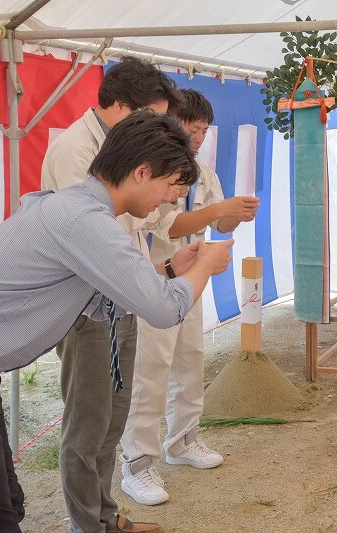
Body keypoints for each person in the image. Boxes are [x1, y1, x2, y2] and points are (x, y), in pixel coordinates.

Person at [0, 111, 235, 533]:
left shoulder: (75, 208)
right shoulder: (85, 221)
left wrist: (172, 269)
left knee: (5, 505)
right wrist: (205, 266)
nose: (171, 198)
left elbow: (108, 288)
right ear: (141, 171)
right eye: (171, 184)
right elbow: (163, 310)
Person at [41, 56, 186, 533]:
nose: (155, 128)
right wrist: (162, 274)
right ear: (118, 105)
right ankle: (87, 525)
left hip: (119, 299)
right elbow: (89, 241)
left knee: (110, 423)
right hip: (84, 308)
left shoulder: (117, 147)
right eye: (149, 116)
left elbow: (142, 224)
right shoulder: (72, 150)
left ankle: (103, 517)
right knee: (86, 428)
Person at [119, 89, 259, 505]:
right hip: (155, 282)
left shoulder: (205, 173)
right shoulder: (152, 172)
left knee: (189, 360)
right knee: (151, 372)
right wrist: (220, 211)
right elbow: (169, 227)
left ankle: (182, 441)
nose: (198, 138)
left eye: (203, 132)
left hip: (192, 282)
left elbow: (222, 225)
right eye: (192, 130)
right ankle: (137, 465)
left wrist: (237, 211)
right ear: (172, 124)